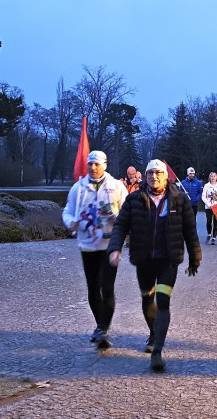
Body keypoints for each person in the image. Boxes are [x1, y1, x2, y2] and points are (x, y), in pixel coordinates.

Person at [108, 159, 201, 373]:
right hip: (144, 260)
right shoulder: (134, 199)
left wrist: (195, 258)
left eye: (159, 173)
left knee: (164, 301)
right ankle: (153, 332)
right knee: (147, 298)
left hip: (168, 260)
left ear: (166, 176)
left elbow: (190, 230)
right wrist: (115, 248)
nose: (154, 177)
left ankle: (157, 351)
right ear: (146, 176)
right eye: (150, 173)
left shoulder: (179, 200)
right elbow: (121, 225)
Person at [62, 150, 127, 351]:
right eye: (90, 164)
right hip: (88, 245)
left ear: (105, 165)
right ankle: (101, 326)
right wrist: (70, 222)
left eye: (97, 164)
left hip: (110, 244)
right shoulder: (78, 188)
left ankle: (103, 328)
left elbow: (128, 211)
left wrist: (122, 222)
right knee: (93, 287)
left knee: (107, 287)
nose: (93, 167)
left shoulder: (116, 186)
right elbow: (67, 211)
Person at [201, 171, 217, 244]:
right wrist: (209, 204)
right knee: (209, 221)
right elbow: (203, 197)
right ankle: (209, 234)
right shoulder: (206, 186)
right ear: (209, 177)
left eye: (214, 176)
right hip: (209, 207)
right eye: (211, 176)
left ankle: (214, 237)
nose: (213, 178)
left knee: (215, 222)